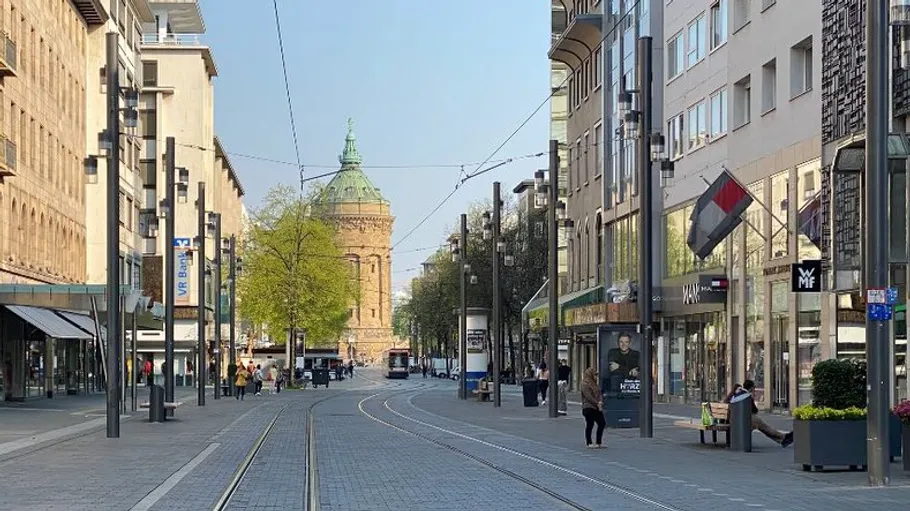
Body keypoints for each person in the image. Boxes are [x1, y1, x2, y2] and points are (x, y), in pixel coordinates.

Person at [727, 380, 793, 447]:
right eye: (754, 388)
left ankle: (782, 439)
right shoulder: (746, 396)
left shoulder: (739, 393)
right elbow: (755, 410)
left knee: (763, 427)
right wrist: (753, 397)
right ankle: (783, 437)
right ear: (751, 388)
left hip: (735, 420)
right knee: (763, 426)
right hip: (745, 421)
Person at [580, 367, 606, 448]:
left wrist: (600, 401)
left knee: (602, 423)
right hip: (588, 407)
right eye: (595, 374)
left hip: (597, 406)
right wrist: (597, 402)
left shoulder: (594, 383)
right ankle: (589, 442)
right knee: (590, 424)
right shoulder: (585, 384)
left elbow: (599, 393)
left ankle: (599, 442)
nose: (596, 376)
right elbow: (588, 396)